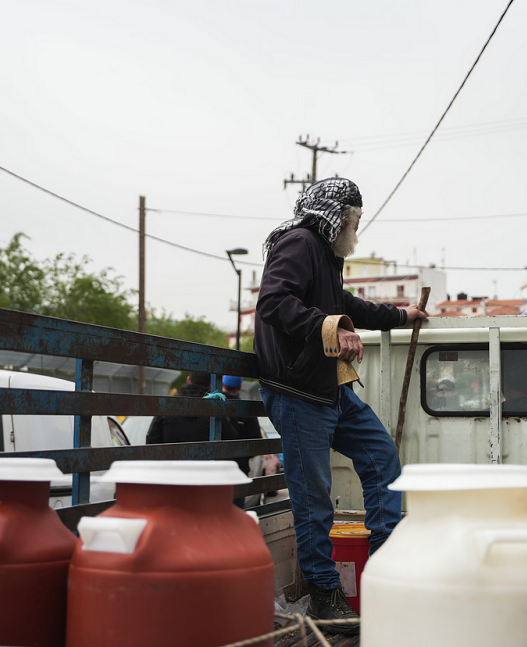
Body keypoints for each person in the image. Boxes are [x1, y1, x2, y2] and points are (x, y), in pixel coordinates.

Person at [255, 177, 428, 633]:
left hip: (329, 389)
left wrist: (399, 316)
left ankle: (386, 566)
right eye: (355, 219)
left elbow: (345, 304)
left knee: (381, 455)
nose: (357, 228)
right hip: (297, 391)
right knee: (314, 497)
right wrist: (331, 328)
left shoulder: (327, 259)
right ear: (337, 215)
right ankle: (324, 594)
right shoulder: (300, 242)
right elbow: (274, 301)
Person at [145, 372, 239, 445]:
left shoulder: (167, 406)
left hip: (172, 468)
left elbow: (151, 441)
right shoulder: (215, 409)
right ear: (211, 384)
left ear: (188, 380)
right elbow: (231, 440)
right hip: (206, 469)